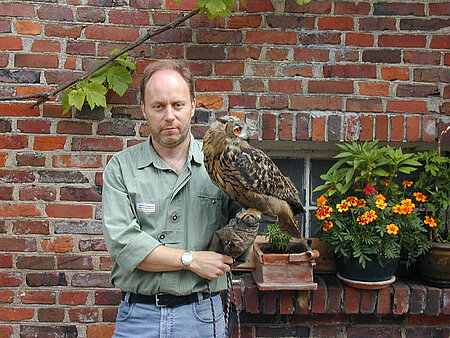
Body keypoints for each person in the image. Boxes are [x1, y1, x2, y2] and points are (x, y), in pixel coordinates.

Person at [102, 59, 246, 338]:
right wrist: (191, 259)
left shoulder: (223, 163)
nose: (169, 115)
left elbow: (241, 238)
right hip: (138, 317)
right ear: (144, 109)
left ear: (193, 105)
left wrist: (252, 213)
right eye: (158, 106)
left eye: (177, 105)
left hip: (203, 315)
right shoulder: (122, 168)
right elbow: (124, 245)